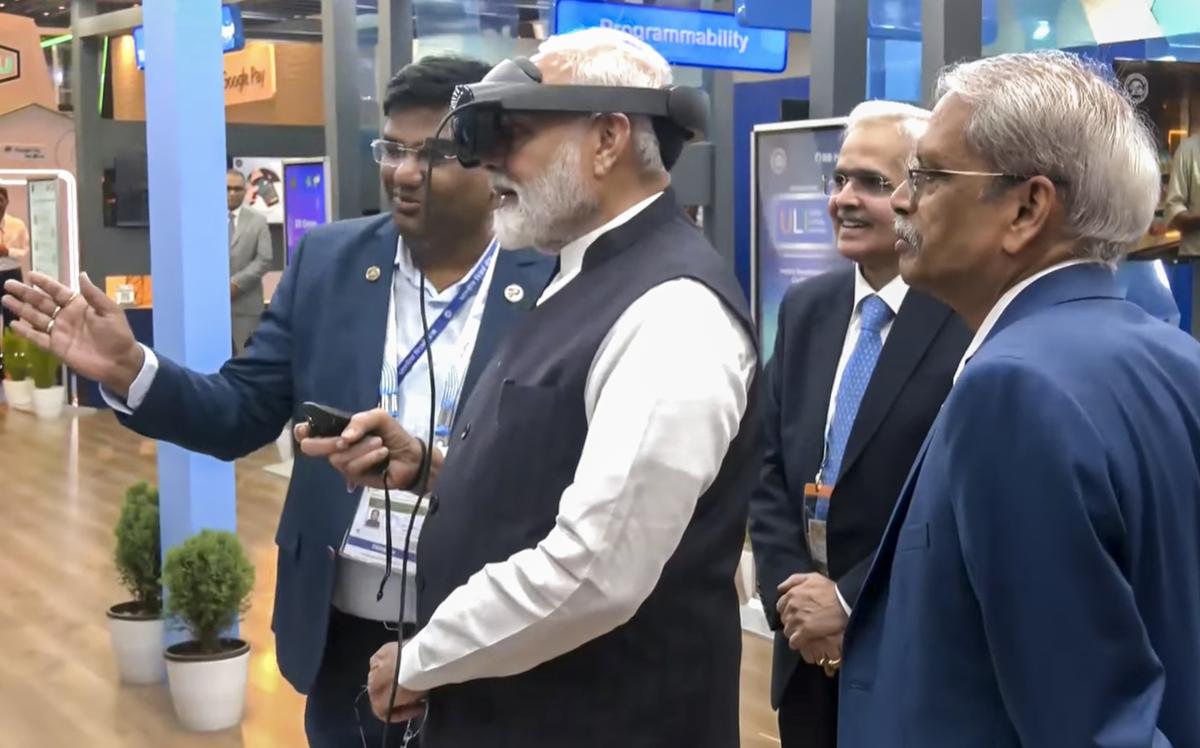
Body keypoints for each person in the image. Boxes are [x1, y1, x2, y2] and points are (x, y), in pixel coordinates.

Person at [1, 56, 556, 748]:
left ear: (491, 156)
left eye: (438, 152)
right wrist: (130, 370)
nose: (406, 172)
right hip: (343, 643)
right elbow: (239, 411)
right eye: (393, 149)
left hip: (493, 650)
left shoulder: (555, 278)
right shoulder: (329, 262)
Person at [300, 28, 759, 746]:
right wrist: (431, 469)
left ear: (608, 140)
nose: (489, 161)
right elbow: (556, 475)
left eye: (514, 133)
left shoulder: (673, 312)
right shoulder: (582, 275)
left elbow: (594, 570)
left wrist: (425, 659)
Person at [839, 51, 1200, 748]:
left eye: (931, 174)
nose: (903, 200)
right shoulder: (1176, 360)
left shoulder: (1012, 390)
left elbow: (1089, 725)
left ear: (1028, 208)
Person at [747, 101, 970, 748]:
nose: (845, 198)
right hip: (804, 661)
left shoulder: (963, 317)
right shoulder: (808, 309)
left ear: (923, 194)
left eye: (872, 183)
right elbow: (771, 476)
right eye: (839, 179)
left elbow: (947, 497)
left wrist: (846, 606)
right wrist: (797, 610)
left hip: (908, 658)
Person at [226, 169, 273, 355]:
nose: (232, 193)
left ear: (245, 190)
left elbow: (265, 259)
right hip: (209, 308)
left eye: (237, 189)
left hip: (245, 306)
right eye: (227, 188)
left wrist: (236, 283)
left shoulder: (258, 221)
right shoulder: (204, 220)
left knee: (246, 360)